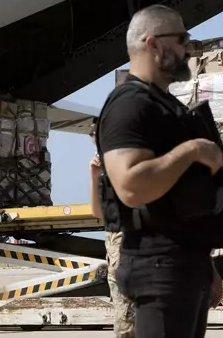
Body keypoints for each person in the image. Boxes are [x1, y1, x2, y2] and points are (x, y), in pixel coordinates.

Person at [95, 4, 223, 338]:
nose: (188, 48)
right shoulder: (129, 105)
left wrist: (205, 263)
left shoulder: (168, 105)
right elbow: (131, 186)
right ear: (152, 44)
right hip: (158, 265)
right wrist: (192, 150)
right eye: (181, 38)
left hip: (184, 262)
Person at [88, 120, 136, 338]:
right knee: (125, 323)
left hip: (131, 254)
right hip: (117, 254)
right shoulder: (105, 170)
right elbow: (98, 212)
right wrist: (95, 175)